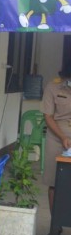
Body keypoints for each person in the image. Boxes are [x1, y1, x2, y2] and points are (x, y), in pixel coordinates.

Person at [42, 61, 71, 209]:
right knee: (54, 182)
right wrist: (63, 137)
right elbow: (48, 116)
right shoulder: (53, 86)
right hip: (57, 139)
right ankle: (55, 222)